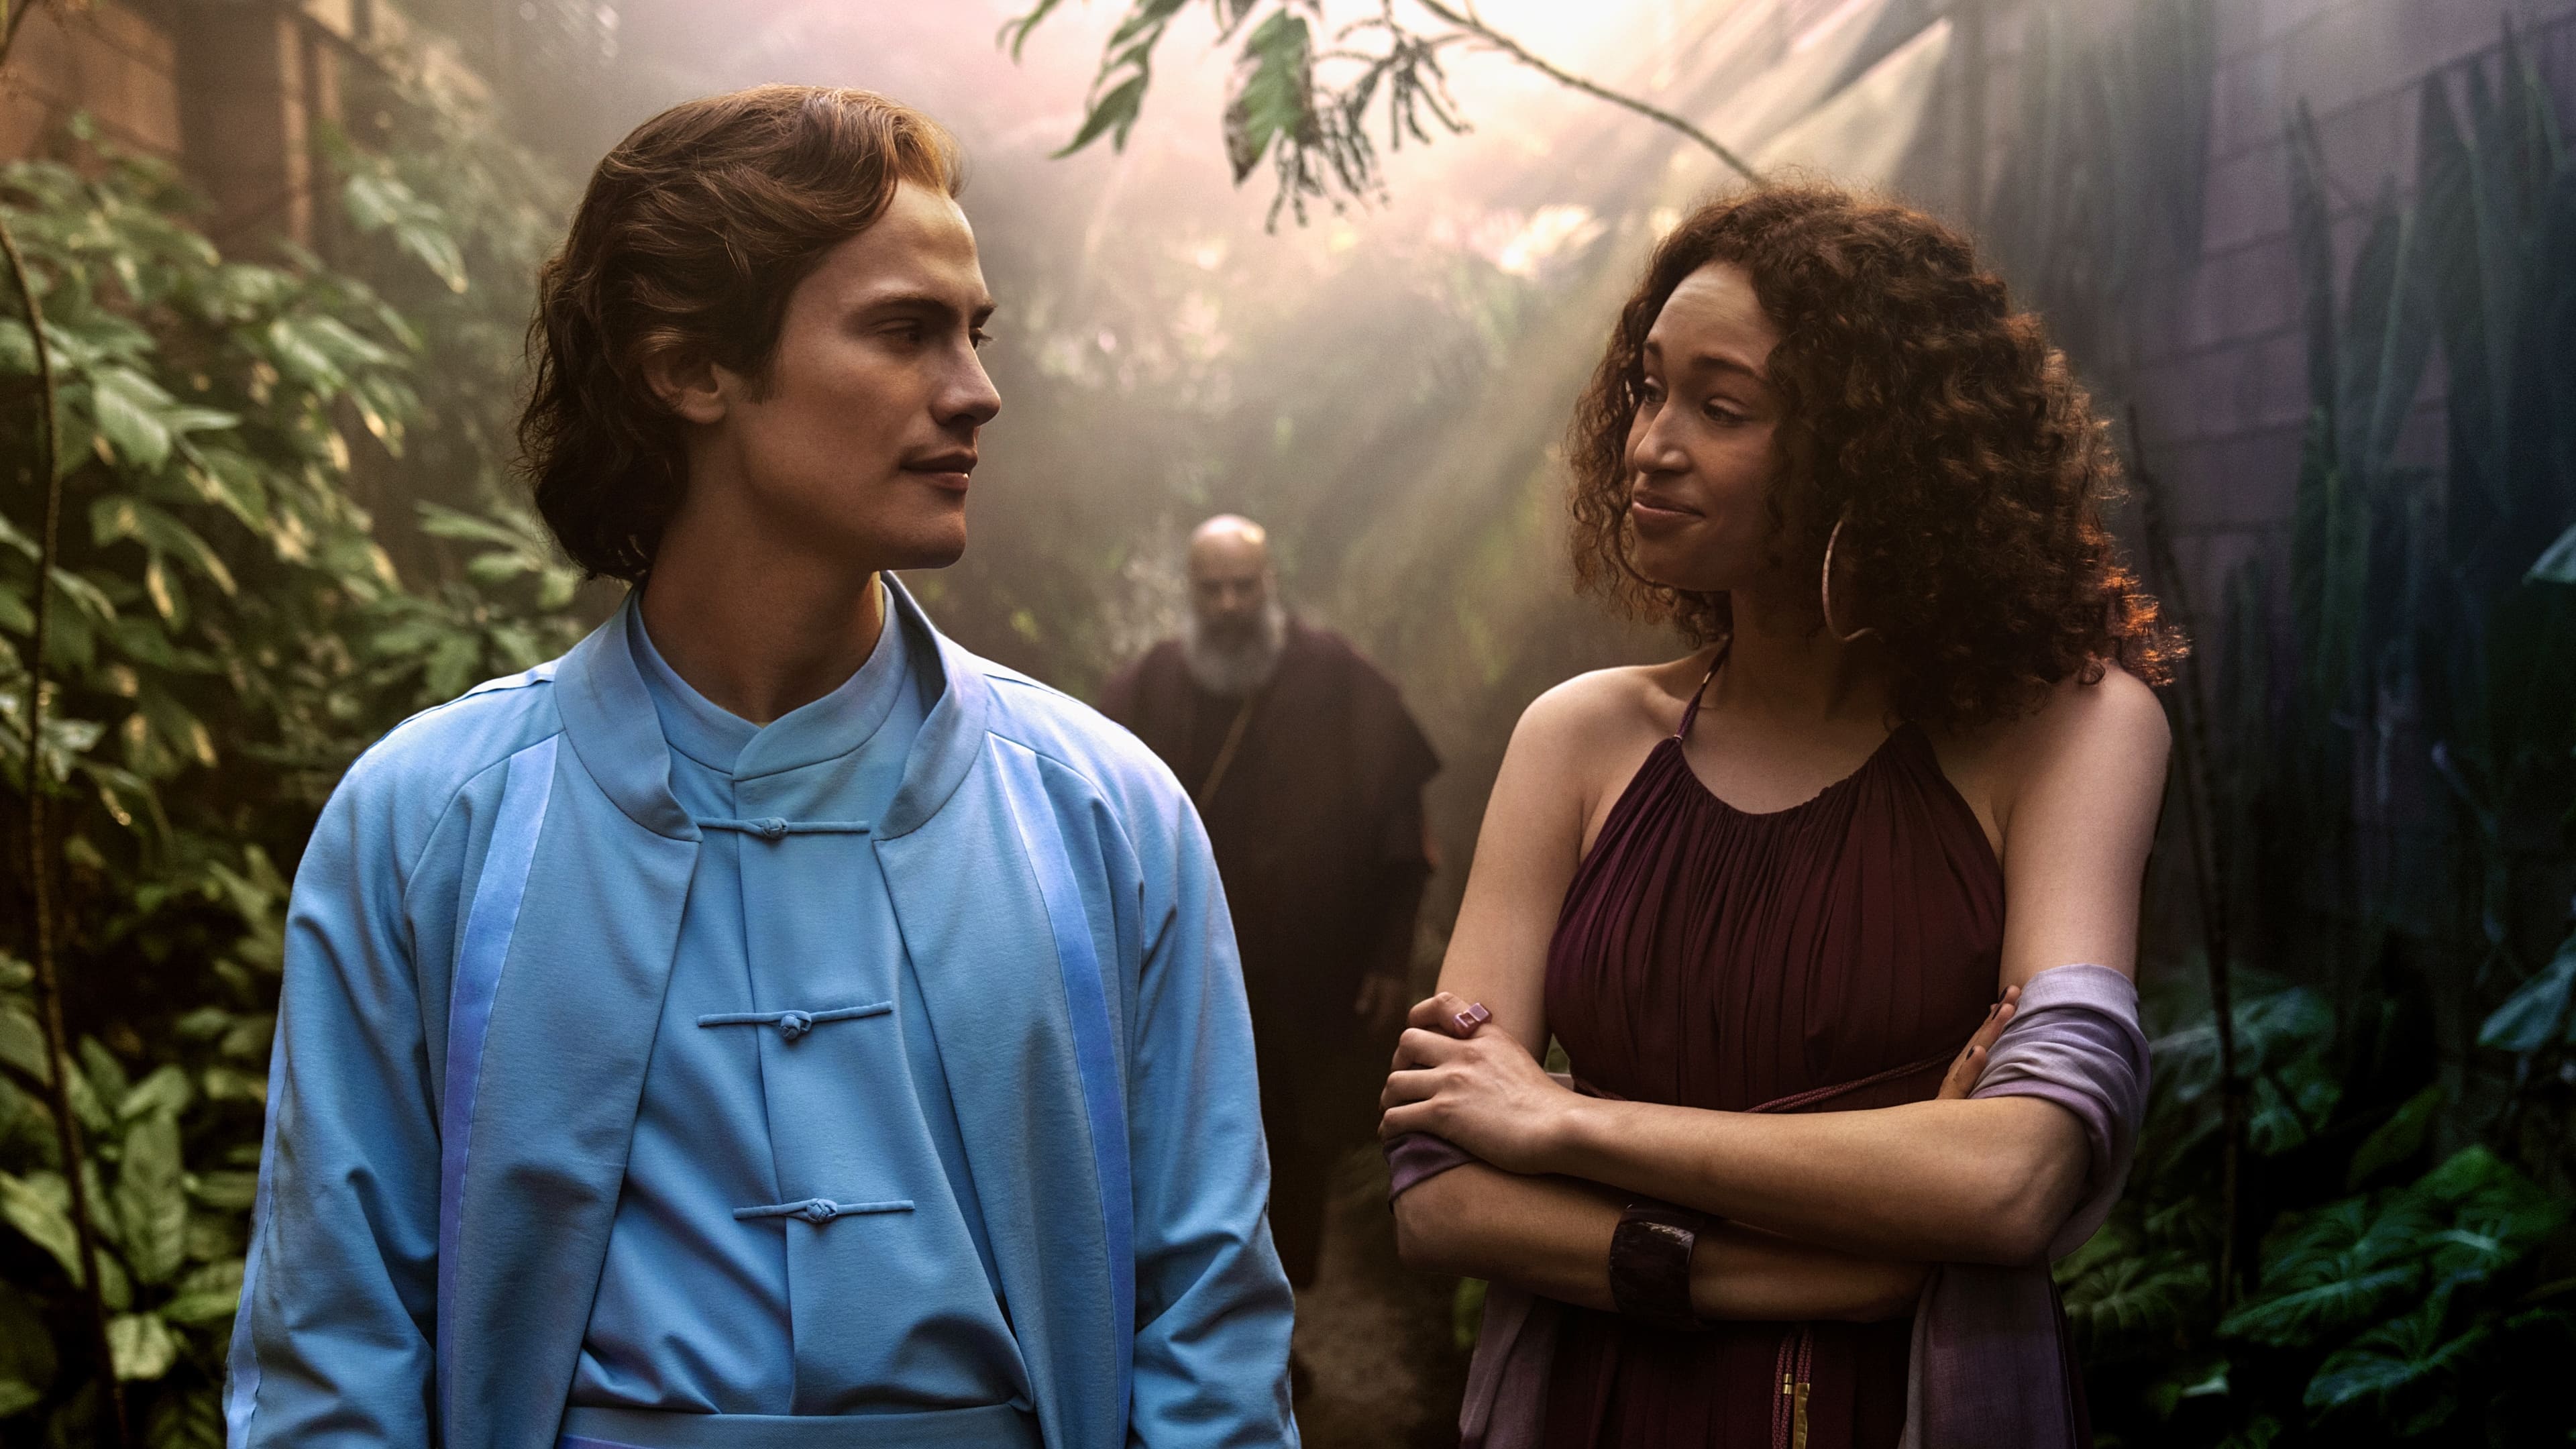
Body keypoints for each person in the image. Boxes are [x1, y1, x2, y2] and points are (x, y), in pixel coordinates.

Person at [224, 87, 1296, 1449]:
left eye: (972, 333)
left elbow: (1209, 1331)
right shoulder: (428, 821)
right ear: (690, 369)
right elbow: (332, 1350)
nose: (977, 391)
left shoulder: (1105, 813)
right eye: (904, 331)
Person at [1379, 184, 2175, 1448]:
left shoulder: (2072, 731)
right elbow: (1439, 1189)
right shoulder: (1579, 740)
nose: (1651, 444)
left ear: (1873, 452)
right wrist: (1805, 1275)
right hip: (1605, 1406)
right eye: (1649, 389)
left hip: (1901, 1411)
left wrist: (1568, 1121)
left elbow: (2017, 1175)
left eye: (1722, 407)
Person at [1102, 516, 1440, 1294]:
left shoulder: (1338, 678)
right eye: (1211, 589)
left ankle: (1283, 1322)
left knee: (1295, 1146)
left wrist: (1390, 957)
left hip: (1310, 982)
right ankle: (1201, 1316)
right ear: (1190, 592)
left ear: (1270, 584)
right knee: (1188, 1144)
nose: (1228, 605)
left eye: (1243, 587)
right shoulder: (1147, 687)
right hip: (1186, 979)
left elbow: (1402, 829)